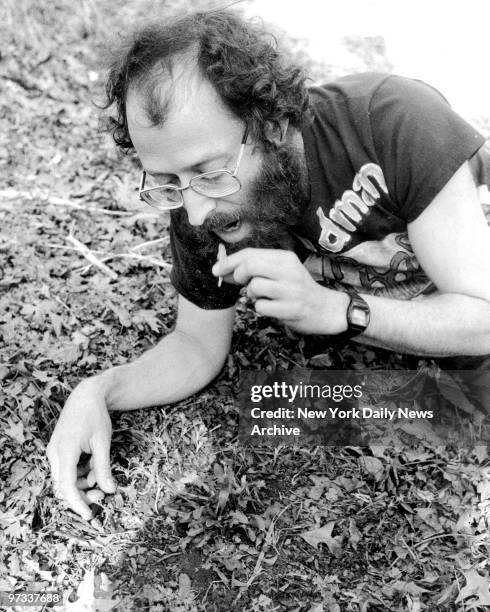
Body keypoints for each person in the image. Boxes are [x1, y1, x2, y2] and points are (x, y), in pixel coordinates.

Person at [47, 9, 490, 520]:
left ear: (272, 124)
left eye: (208, 173)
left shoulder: (393, 121)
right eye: (168, 181)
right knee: (271, 408)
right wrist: (99, 390)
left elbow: (482, 320)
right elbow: (196, 344)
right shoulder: (196, 199)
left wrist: (341, 312)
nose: (195, 212)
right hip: (409, 384)